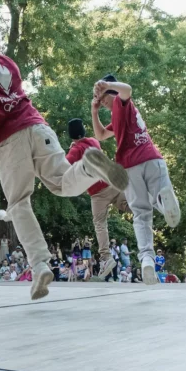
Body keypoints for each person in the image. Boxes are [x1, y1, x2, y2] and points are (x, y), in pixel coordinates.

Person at [0, 23, 127, 300]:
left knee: (19, 202)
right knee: (63, 183)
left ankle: (39, 264)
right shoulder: (9, 63)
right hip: (38, 127)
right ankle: (88, 165)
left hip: (9, 139)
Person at [91, 75, 180, 285]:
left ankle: (147, 258)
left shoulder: (123, 104)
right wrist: (94, 112)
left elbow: (127, 90)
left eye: (104, 98)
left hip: (131, 166)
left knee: (140, 213)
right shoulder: (117, 116)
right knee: (155, 198)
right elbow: (101, 135)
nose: (102, 102)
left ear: (113, 93)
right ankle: (162, 200)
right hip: (151, 160)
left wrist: (108, 85)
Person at [64, 118, 129, 279]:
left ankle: (106, 258)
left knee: (100, 224)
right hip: (111, 183)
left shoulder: (75, 150)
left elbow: (63, 167)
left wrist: (71, 149)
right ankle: (152, 202)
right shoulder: (94, 141)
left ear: (71, 135)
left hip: (97, 194)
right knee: (129, 206)